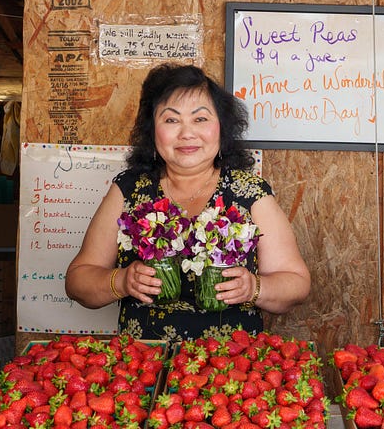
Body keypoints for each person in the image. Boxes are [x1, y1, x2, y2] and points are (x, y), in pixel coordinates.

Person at [65, 63, 311, 340]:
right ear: (152, 129)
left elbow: (296, 283)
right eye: (171, 120)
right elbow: (77, 280)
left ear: (222, 127)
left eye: (200, 119)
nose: (186, 133)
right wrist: (120, 281)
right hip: (144, 366)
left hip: (230, 365)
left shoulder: (249, 192)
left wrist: (254, 287)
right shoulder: (129, 190)